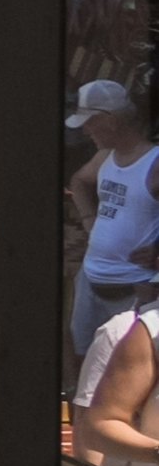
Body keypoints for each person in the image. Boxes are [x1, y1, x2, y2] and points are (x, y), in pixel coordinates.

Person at [89, 82, 159, 363]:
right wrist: (88, 221)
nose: (85, 131)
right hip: (93, 278)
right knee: (88, 352)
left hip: (133, 285)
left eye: (91, 122)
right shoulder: (105, 156)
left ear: (112, 121)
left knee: (123, 362)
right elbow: (79, 181)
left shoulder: (153, 162)